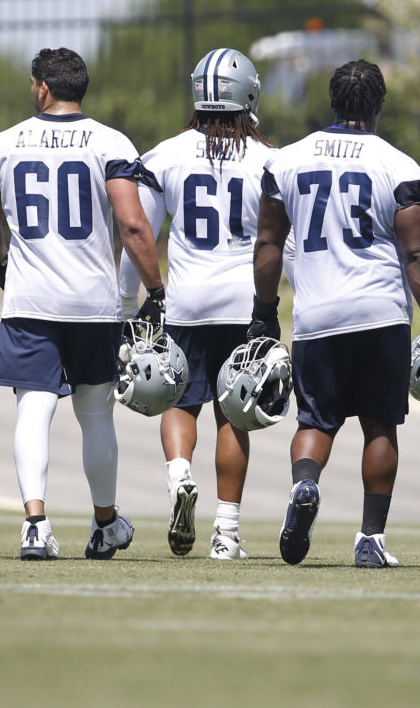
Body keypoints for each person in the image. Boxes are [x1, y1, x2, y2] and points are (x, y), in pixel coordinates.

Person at [252, 59, 420, 568]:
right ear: (379, 105)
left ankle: (305, 485)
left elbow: (268, 242)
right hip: (380, 311)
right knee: (380, 425)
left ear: (332, 102)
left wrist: (264, 311)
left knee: (315, 420)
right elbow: (418, 254)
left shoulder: (289, 161)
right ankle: (370, 539)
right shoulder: (398, 165)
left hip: (317, 314)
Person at [0, 47, 164, 561]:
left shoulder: (2, 144)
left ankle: (35, 524)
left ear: (41, 87)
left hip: (30, 298)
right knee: (96, 413)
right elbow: (132, 224)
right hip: (90, 302)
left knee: (33, 409)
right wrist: (156, 290)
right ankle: (105, 522)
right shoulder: (111, 142)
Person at [118, 48, 275, 560]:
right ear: (249, 93)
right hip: (243, 302)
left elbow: (138, 233)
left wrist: (130, 301)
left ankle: (180, 475)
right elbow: (282, 243)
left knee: (178, 401)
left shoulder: (166, 154)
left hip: (186, 299)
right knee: (234, 415)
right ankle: (226, 534)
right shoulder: (269, 160)